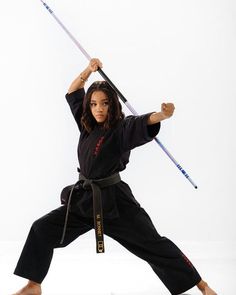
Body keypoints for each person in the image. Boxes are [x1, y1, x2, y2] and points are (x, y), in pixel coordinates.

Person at [11, 58, 217, 295]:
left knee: (153, 244)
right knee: (41, 229)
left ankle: (202, 286)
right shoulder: (86, 124)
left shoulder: (121, 128)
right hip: (83, 200)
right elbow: (73, 91)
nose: (99, 108)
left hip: (116, 204)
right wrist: (88, 70)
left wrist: (162, 114)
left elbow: (143, 122)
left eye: (105, 103)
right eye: (94, 104)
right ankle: (33, 285)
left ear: (113, 105)